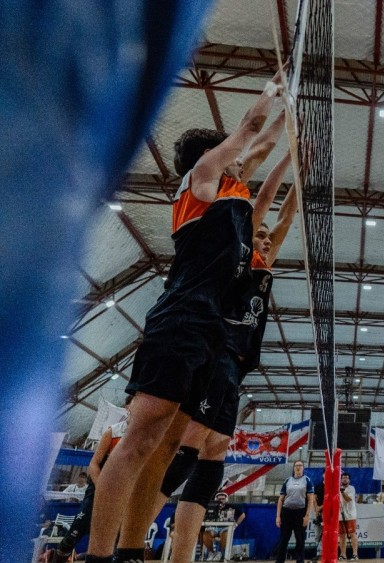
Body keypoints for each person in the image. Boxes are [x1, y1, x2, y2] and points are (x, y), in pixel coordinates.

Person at [85, 72, 284, 563]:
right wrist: (273, 91)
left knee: (170, 443)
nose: (242, 157)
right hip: (182, 316)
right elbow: (250, 130)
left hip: (212, 326)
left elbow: (263, 144)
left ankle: (131, 551)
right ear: (212, 155)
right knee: (142, 437)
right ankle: (97, 555)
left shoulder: (234, 196)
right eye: (232, 153)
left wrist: (292, 118)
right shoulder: (201, 180)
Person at [52, 397, 131, 563]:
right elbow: (93, 465)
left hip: (123, 493)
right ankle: (59, 557)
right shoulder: (113, 432)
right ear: (127, 407)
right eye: (136, 401)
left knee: (117, 540)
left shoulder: (146, 437)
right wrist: (103, 488)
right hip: (98, 490)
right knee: (75, 532)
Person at [275, 461, 316, 563]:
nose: (298, 467)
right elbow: (280, 499)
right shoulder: (287, 480)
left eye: (300, 465)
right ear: (293, 468)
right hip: (286, 512)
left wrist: (307, 516)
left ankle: (300, 560)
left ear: (303, 468)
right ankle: (279, 561)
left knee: (300, 539)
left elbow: (310, 499)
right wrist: (278, 516)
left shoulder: (307, 480)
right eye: (296, 466)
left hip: (300, 513)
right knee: (284, 538)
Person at [200, 492, 245, 561]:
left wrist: (236, 525)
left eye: (223, 499)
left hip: (225, 528)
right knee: (206, 534)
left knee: (226, 534)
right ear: (216, 499)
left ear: (226, 499)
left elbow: (243, 515)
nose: (221, 500)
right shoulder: (211, 506)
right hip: (213, 527)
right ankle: (211, 553)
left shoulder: (231, 506)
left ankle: (219, 553)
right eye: (219, 499)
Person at [340, 473, 359, 561]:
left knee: (352, 534)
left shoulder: (351, 488)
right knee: (342, 535)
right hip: (340, 515)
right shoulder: (338, 488)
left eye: (347, 478)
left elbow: (348, 499)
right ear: (341, 479)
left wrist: (342, 492)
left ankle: (355, 554)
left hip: (350, 515)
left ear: (349, 480)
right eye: (343, 478)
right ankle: (343, 555)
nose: (345, 479)